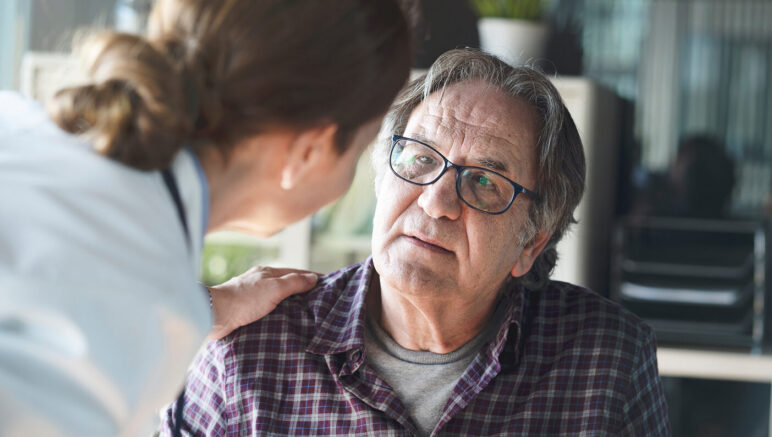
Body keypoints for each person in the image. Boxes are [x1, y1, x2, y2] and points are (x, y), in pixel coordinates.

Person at [162, 48, 671, 436]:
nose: (436, 202)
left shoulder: (608, 359)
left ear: (530, 244)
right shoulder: (249, 351)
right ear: (383, 176)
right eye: (421, 159)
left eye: (485, 182)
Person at [0, 0, 412, 435]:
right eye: (363, 149)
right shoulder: (135, 318)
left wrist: (208, 305)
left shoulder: (19, 122)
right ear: (309, 151)